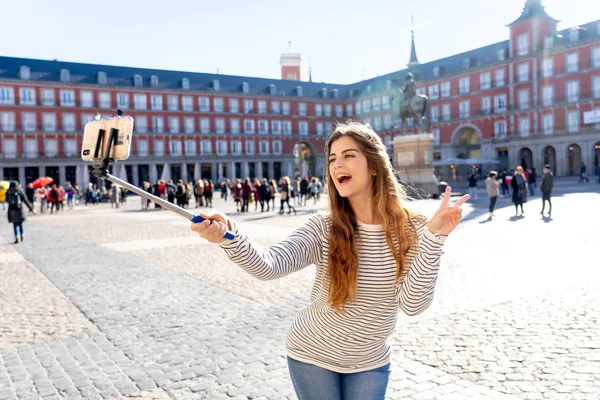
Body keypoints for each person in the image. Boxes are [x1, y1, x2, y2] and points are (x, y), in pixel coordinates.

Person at [190, 122, 469, 399]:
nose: (337, 165)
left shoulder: (413, 228)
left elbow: (412, 304)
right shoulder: (322, 227)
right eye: (332, 159)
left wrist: (435, 237)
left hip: (370, 360)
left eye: (349, 155)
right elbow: (270, 265)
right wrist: (229, 235)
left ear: (374, 166)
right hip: (312, 354)